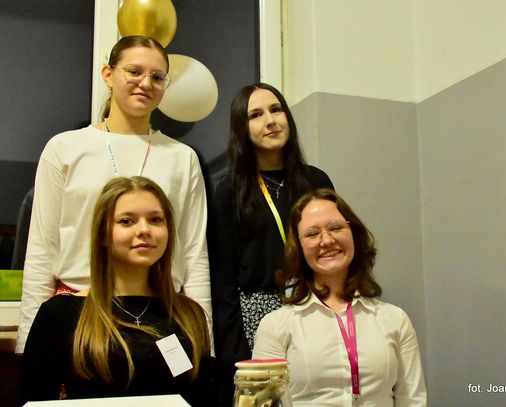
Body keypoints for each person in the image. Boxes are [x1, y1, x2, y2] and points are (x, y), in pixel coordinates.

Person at [16, 36, 211, 353]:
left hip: (161, 315)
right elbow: (42, 250)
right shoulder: (65, 148)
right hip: (81, 311)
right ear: (108, 74)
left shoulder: (183, 157)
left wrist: (205, 343)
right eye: (134, 71)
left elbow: (194, 255)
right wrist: (30, 342)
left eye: (157, 77)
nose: (145, 83)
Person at [20, 176, 215, 405]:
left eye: (155, 219)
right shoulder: (61, 314)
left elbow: (202, 398)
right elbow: (35, 398)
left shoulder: (189, 314)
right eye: (127, 221)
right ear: (103, 234)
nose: (145, 230)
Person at [209, 82, 334, 404]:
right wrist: (235, 351)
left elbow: (333, 249)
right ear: (242, 127)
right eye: (256, 115)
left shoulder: (316, 180)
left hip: (314, 306)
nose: (270, 121)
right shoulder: (229, 191)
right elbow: (223, 279)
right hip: (257, 315)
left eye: (276, 110)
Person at [253, 189, 427, 406]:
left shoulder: (395, 319)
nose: (326, 240)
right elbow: (262, 402)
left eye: (335, 228)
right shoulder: (275, 326)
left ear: (354, 233)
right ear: (299, 247)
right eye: (312, 234)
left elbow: (412, 400)